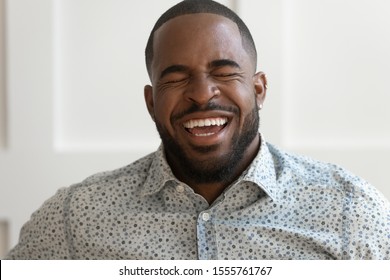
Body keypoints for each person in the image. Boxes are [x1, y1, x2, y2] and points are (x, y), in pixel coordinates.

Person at [6, 0, 390, 260]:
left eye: (223, 72)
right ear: (151, 102)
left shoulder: (351, 212)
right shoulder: (73, 219)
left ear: (258, 90)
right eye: (176, 78)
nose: (202, 94)